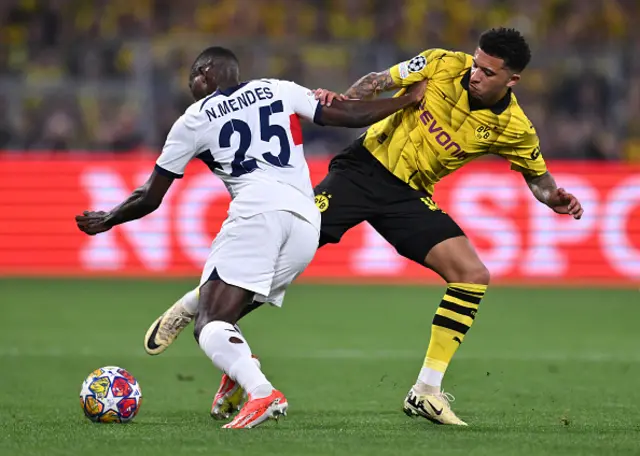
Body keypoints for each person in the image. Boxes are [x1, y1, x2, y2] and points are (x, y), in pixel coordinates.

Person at [143, 28, 584, 426]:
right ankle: (198, 309)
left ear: (512, 80)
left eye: (487, 73)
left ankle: (426, 391)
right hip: (360, 172)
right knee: (284, 249)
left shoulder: (514, 128)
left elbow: (538, 178)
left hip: (408, 196)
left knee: (472, 275)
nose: (474, 75)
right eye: (475, 64)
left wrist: (555, 198)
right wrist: (344, 99)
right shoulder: (444, 64)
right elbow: (379, 80)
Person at [76, 46, 426, 429]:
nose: (191, 86)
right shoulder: (278, 88)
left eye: (193, 77)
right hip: (307, 221)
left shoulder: (192, 119)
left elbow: (150, 196)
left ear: (206, 73)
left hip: (257, 211)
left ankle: (262, 392)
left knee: (209, 325)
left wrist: (108, 219)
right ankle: (232, 369)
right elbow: (344, 114)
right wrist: (405, 101)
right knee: (229, 313)